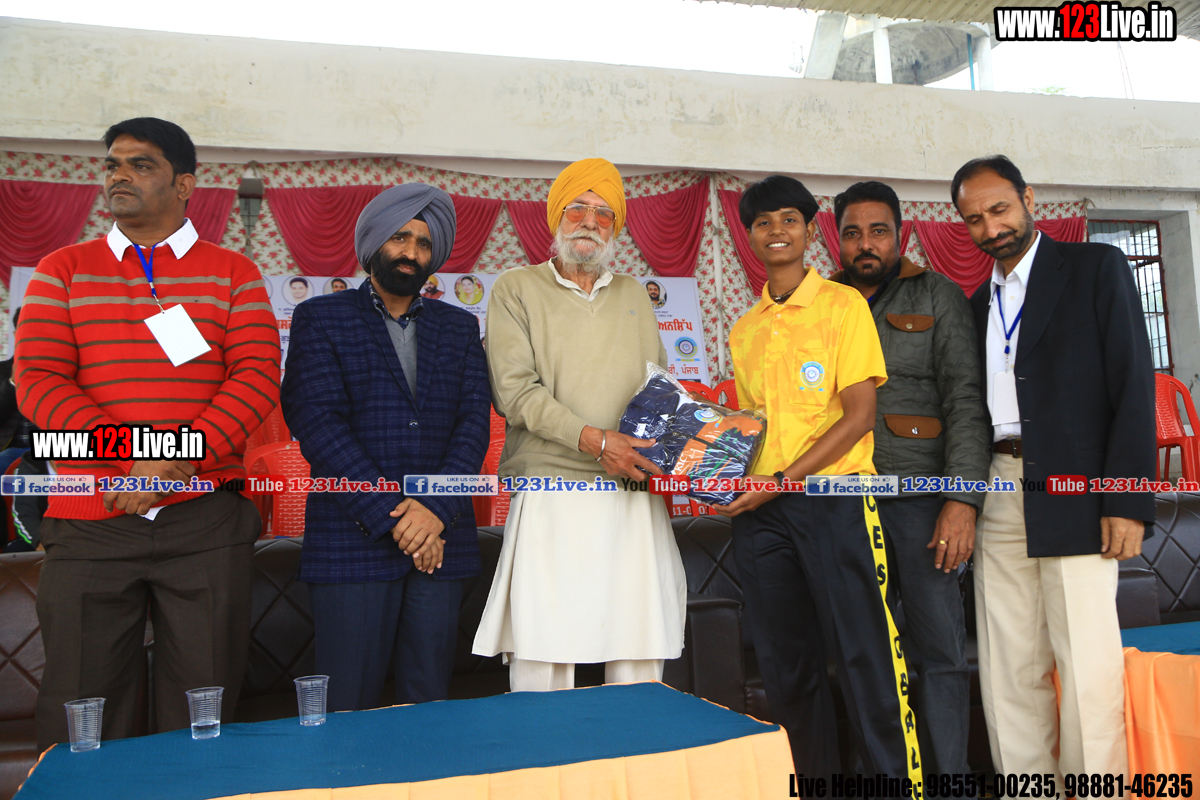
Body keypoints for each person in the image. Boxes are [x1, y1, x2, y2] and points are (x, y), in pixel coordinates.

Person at [16, 117, 279, 749]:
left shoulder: (235, 273)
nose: (119, 176)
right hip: (91, 516)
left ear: (185, 184)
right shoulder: (62, 269)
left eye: (141, 164)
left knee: (204, 707)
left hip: (205, 521)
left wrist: (174, 462)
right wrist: (143, 458)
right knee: (81, 706)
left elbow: (256, 378)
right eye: (112, 164)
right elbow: (39, 382)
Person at [715, 175, 920, 781]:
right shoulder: (745, 328)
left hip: (837, 502)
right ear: (749, 236)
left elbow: (859, 417)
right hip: (763, 513)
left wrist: (780, 479)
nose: (776, 231)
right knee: (787, 671)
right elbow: (752, 428)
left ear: (810, 231)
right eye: (763, 223)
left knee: (867, 659)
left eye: (789, 220)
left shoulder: (842, 305)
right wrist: (717, 468)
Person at [955, 155, 1154, 776]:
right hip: (999, 488)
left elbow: (1133, 384)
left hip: (1078, 488)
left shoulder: (1095, 268)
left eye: (1000, 209)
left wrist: (1127, 498)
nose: (991, 228)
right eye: (974, 219)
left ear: (1029, 198)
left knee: (1087, 663)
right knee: (1009, 666)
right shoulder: (975, 304)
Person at [472, 157, 686, 692]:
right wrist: (596, 442)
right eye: (577, 209)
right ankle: (540, 749)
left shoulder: (634, 294)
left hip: (630, 490)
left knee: (639, 651)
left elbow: (659, 388)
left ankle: (637, 747)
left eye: (603, 212)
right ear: (556, 218)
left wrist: (699, 444)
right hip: (553, 489)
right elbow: (515, 392)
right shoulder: (516, 288)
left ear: (615, 227)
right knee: (544, 653)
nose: (590, 221)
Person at [280, 184, 490, 711]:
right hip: (352, 541)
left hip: (439, 542)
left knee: (429, 705)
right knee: (346, 707)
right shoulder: (321, 318)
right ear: (374, 243)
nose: (411, 252)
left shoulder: (459, 326)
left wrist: (434, 509)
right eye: (400, 238)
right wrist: (399, 518)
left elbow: (473, 426)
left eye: (424, 243)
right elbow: (317, 424)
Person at [830, 180, 989, 774]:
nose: (865, 244)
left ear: (900, 234)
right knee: (863, 653)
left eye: (878, 231)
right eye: (852, 233)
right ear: (837, 240)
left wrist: (962, 499)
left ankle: (951, 781)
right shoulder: (823, 302)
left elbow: (966, 401)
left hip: (922, 502)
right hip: (843, 501)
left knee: (940, 651)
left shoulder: (937, 295)